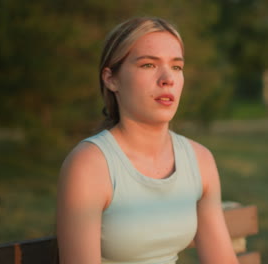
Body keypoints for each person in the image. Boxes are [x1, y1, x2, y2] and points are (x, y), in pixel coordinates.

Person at [56, 17, 238, 264]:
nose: (167, 79)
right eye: (148, 65)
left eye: (176, 67)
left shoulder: (200, 160)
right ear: (111, 79)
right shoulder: (89, 165)